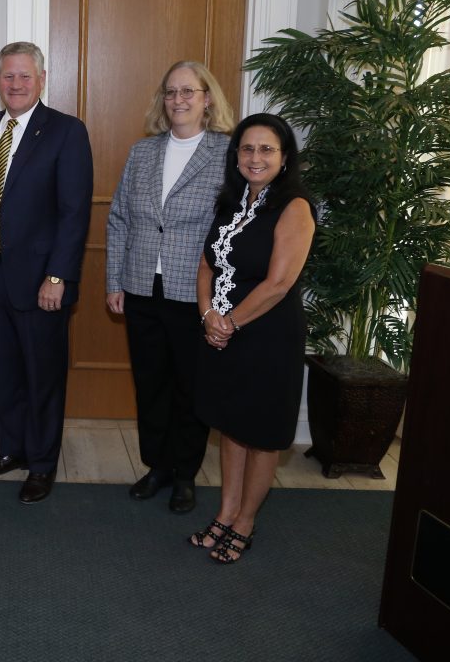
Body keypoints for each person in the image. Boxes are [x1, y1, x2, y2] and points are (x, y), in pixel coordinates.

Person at [105, 61, 234, 514]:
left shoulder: (228, 152)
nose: (178, 100)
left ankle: (184, 473)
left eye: (188, 92)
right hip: (141, 286)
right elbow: (119, 216)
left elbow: (242, 220)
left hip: (194, 290)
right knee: (151, 382)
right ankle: (156, 466)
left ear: (207, 99)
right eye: (171, 92)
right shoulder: (143, 153)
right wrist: (115, 279)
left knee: (189, 386)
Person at [0, 41, 93, 504]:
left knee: (43, 376)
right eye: (7, 76)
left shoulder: (65, 131)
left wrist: (58, 277)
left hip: (43, 280)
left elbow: (74, 212)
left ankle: (41, 464)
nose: (15, 84)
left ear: (41, 77)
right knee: (5, 373)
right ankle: (13, 450)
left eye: (24, 76)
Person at [189, 113, 315, 563]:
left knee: (260, 433)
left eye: (266, 149)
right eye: (247, 148)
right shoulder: (232, 200)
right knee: (231, 427)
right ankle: (225, 513)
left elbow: (279, 283)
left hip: (266, 336)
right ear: (236, 155)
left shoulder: (295, 206)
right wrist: (208, 313)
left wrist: (228, 323)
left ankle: (245, 523)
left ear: (284, 159)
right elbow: (206, 264)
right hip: (222, 330)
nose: (255, 157)